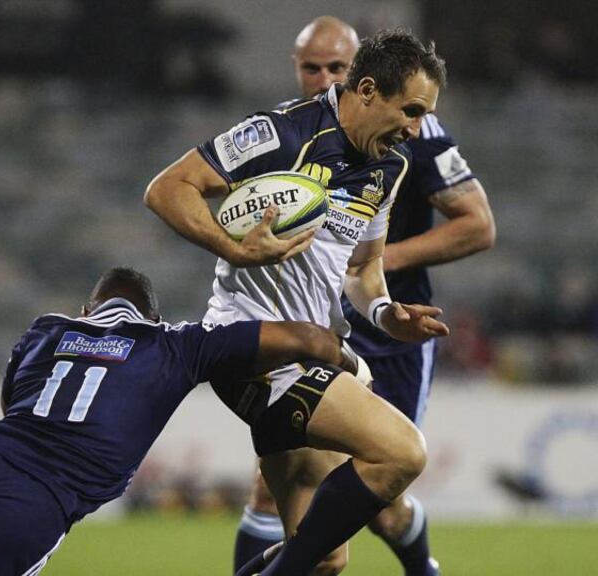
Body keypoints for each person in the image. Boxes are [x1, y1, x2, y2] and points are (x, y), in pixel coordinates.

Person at [0, 267, 425, 576]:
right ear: (150, 311)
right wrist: (348, 359)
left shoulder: (48, 329)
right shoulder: (175, 345)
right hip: (25, 504)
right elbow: (304, 339)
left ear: (91, 306)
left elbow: (16, 402)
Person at [146, 28, 450, 575]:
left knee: (326, 559)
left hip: (312, 352)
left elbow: (361, 268)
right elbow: (168, 188)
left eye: (423, 114)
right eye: (409, 109)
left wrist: (386, 315)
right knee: (404, 452)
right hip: (252, 351)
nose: (415, 127)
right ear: (365, 91)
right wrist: (231, 248)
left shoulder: (389, 168)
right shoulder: (279, 133)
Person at [230, 17, 496, 576]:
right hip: (311, 332)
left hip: (386, 337)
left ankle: (422, 568)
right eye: (312, 67)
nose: (323, 76)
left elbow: (478, 225)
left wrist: (381, 269)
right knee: (282, 498)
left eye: (336, 66)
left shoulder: (415, 135)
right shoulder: (291, 133)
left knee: (383, 497)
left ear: (364, 76)